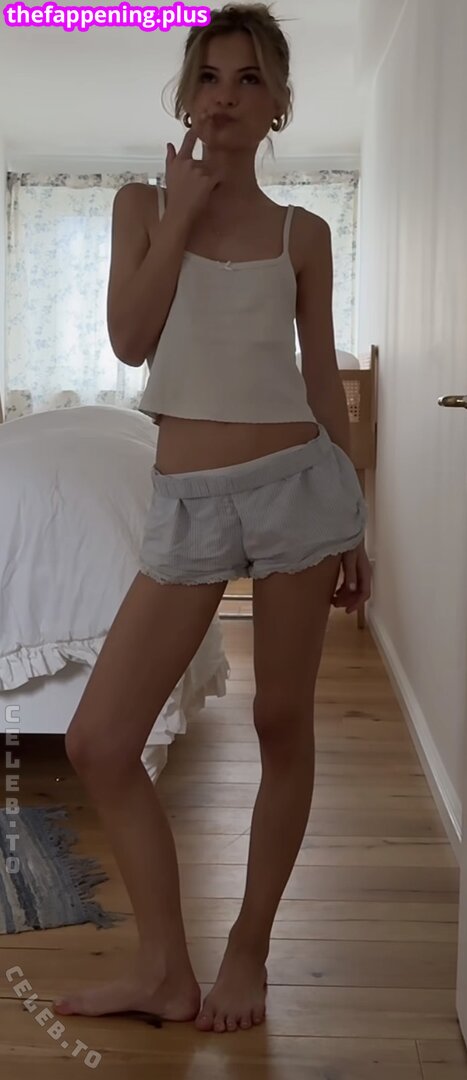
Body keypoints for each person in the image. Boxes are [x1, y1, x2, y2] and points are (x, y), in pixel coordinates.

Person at [54, 2, 371, 1035]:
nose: (225, 97)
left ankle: (247, 950)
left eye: (248, 80)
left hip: (296, 490)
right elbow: (129, 339)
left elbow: (318, 381)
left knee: (281, 723)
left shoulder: (302, 233)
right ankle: (162, 970)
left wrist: (355, 522)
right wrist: (182, 214)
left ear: (278, 105)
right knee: (101, 740)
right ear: (185, 94)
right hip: (188, 503)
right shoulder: (141, 204)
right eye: (208, 76)